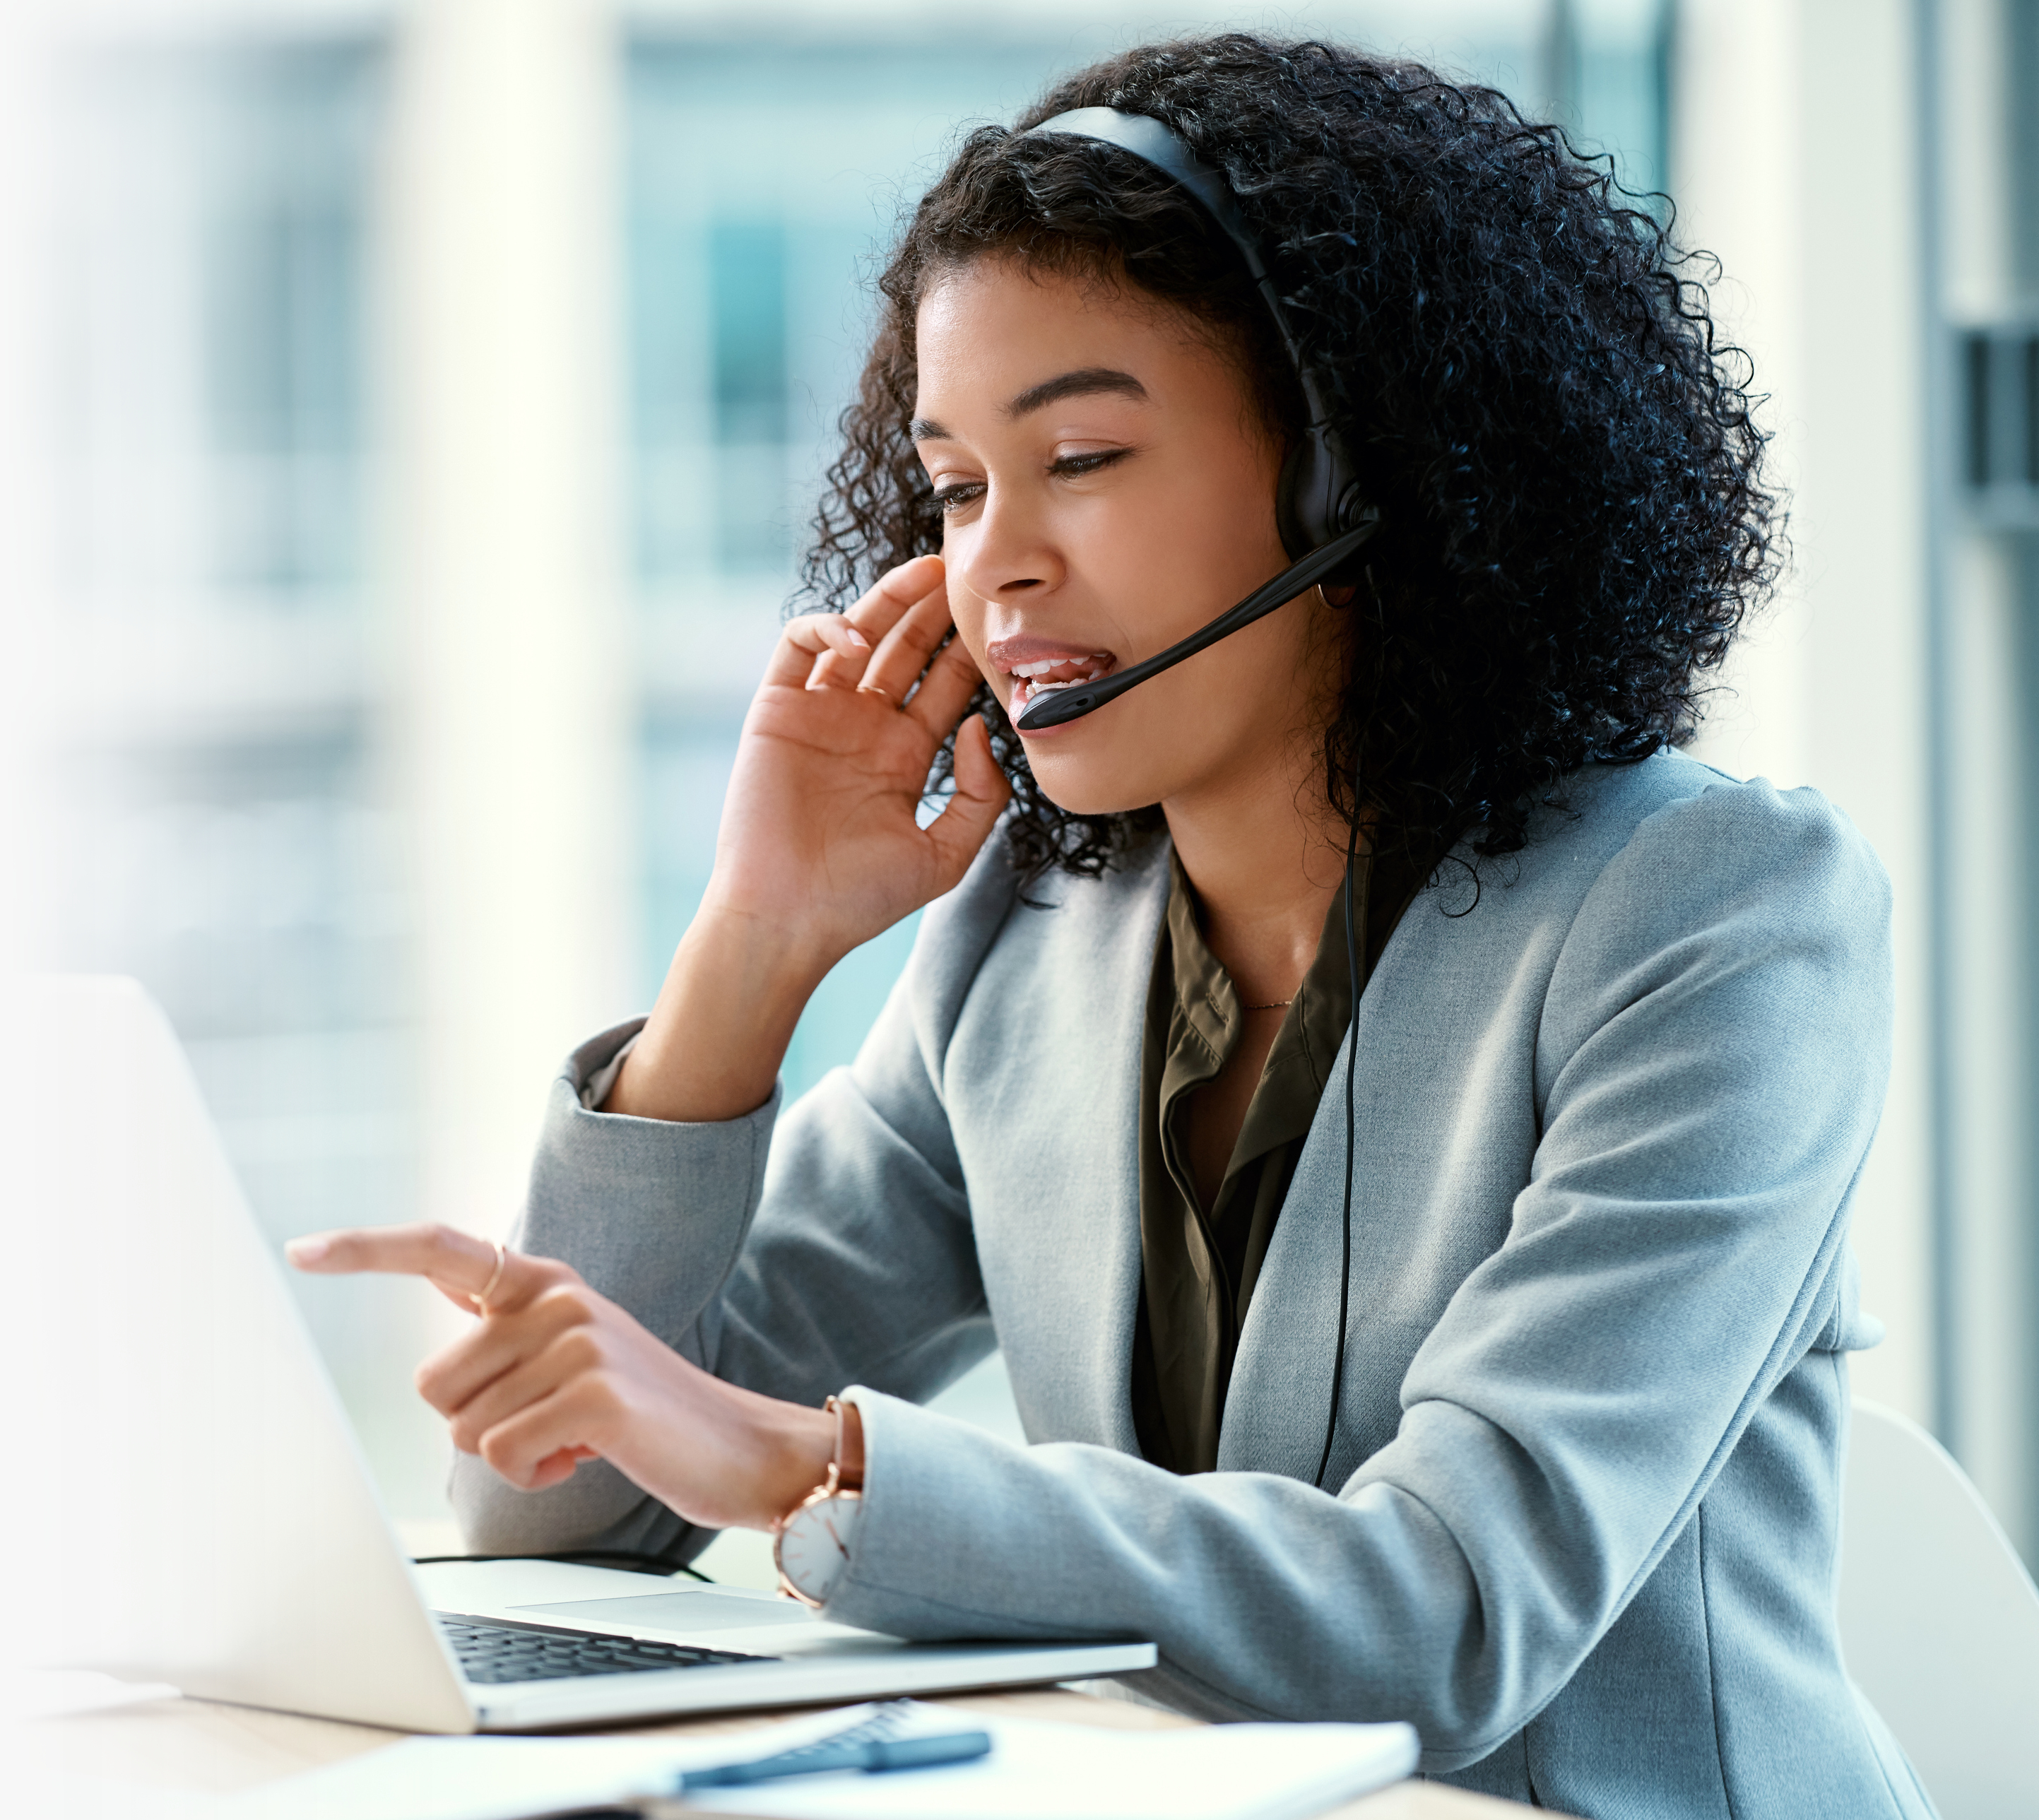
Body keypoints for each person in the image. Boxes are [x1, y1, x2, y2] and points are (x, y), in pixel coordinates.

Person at [290, 33, 1933, 1818]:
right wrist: (755, 947)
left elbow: (1454, 1609)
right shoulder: (1030, 945)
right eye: (956, 483)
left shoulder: (1714, 919)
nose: (995, 565)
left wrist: (798, 1464)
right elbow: (566, 1502)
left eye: (1080, 454)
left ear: (1354, 475)